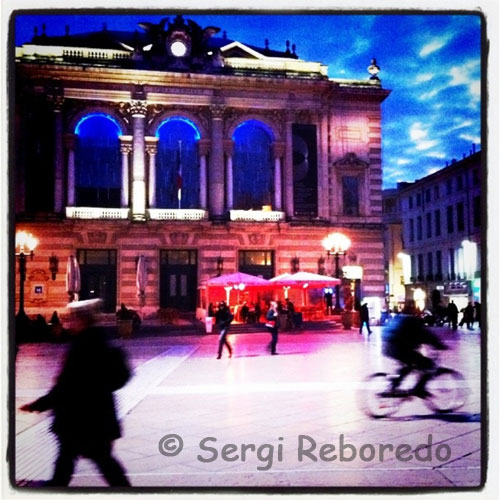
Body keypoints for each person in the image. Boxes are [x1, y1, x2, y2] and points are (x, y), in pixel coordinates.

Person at [20, 299, 131, 487]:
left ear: (83, 320)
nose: (68, 322)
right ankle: (58, 485)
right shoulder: (98, 341)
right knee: (80, 457)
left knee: (96, 459)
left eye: (71, 318)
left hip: (81, 416)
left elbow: (67, 386)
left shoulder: (83, 347)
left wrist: (38, 405)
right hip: (94, 414)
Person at [383, 302, 447, 398]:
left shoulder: (400, 317)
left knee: (410, 364)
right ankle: (419, 389)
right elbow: (425, 334)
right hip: (399, 348)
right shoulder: (412, 320)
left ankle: (395, 383)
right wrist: (439, 345)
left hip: (390, 346)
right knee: (428, 365)